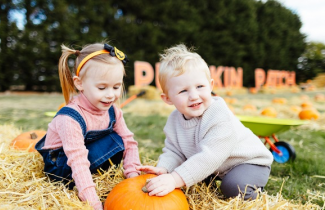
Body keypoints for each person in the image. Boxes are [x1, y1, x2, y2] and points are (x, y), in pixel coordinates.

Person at [136, 44, 273, 200]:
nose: (194, 96)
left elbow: (210, 156)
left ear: (211, 86)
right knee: (194, 184)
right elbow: (174, 152)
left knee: (234, 187)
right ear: (167, 99)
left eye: (200, 86)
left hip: (248, 162)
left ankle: (256, 196)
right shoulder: (174, 120)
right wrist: (164, 169)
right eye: (183, 91)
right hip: (215, 167)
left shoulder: (218, 114)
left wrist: (174, 179)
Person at [35, 43, 141, 210]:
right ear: (80, 84)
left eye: (116, 87)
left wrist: (133, 176)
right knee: (114, 141)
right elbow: (77, 160)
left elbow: (129, 142)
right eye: (102, 87)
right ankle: (81, 185)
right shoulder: (70, 118)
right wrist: (93, 202)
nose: (111, 95)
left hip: (85, 153)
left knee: (121, 140)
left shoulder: (113, 111)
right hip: (62, 165)